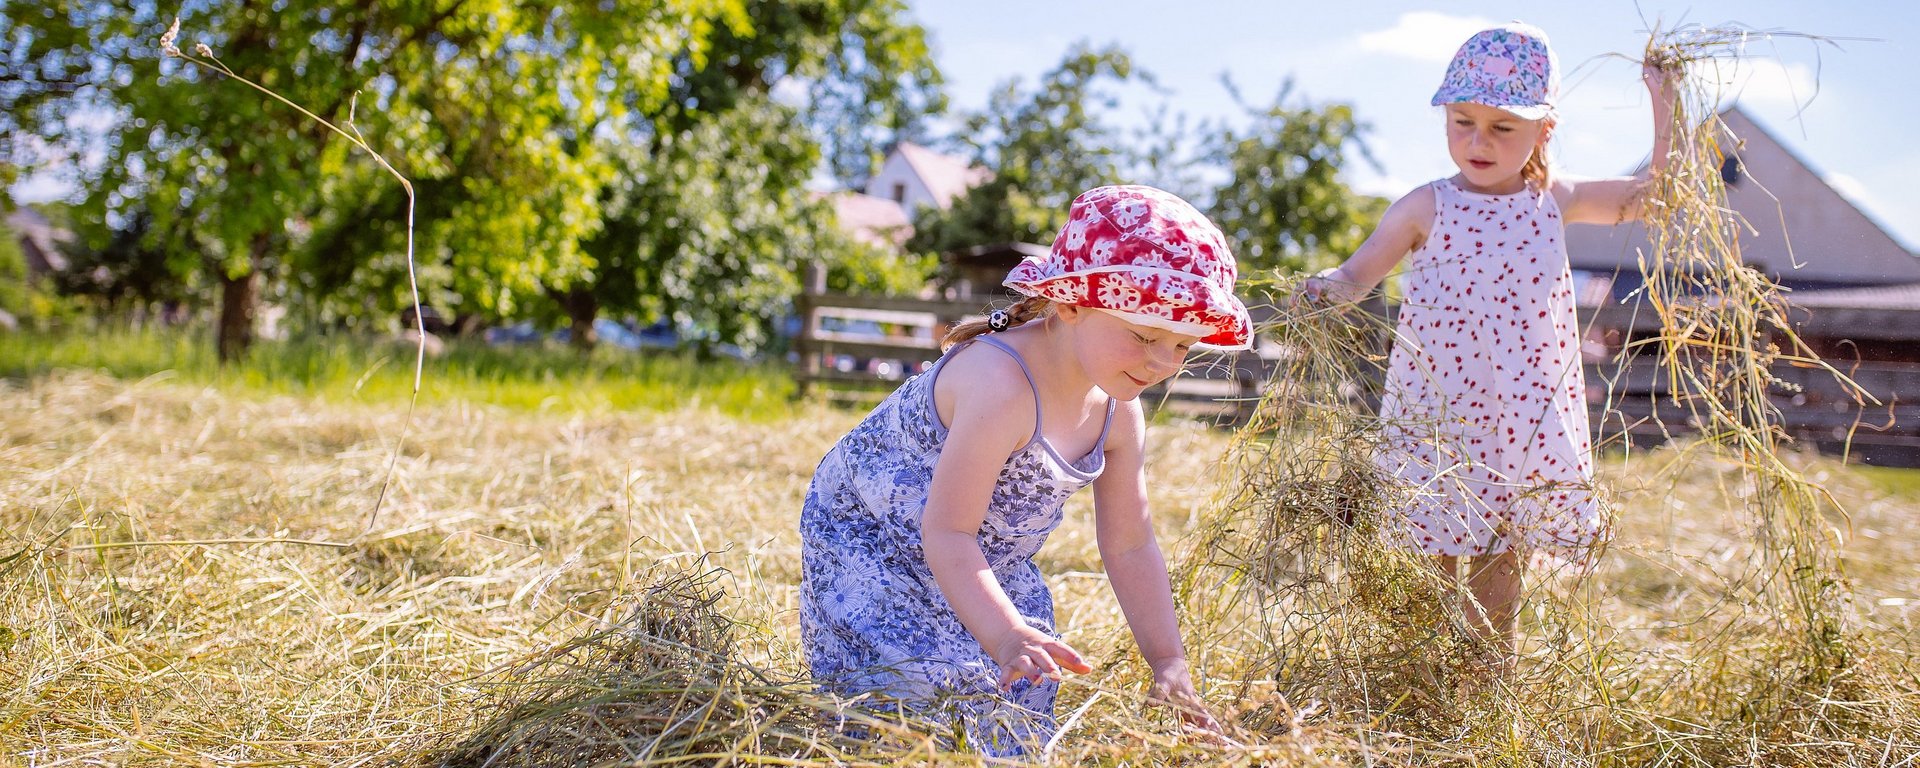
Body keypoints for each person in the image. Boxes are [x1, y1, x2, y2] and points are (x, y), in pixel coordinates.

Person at [799, 185, 1246, 756]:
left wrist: (1167, 663)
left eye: (1182, 346)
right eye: (1142, 335)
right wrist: (1006, 634)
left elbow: (1131, 545)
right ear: (1072, 302)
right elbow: (946, 531)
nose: (1162, 363)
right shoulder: (1000, 386)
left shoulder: (1120, 414)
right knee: (916, 702)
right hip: (879, 535)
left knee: (1022, 698)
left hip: (985, 555)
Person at [1301, 22, 1676, 653]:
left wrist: (1663, 107)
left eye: (1502, 127)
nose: (1478, 141)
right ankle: (1422, 676)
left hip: (1519, 413)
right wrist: (1318, 291)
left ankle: (1484, 685)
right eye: (1461, 122)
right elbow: (1356, 276)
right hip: (1439, 411)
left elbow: (1654, 198)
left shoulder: (1553, 199)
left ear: (1542, 131)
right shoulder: (1427, 205)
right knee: (1431, 556)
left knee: (1501, 559)